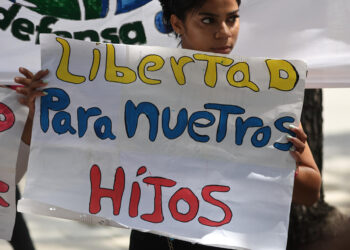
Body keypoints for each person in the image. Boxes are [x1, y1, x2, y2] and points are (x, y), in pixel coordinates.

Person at [14, 0, 322, 249]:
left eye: (232, 18)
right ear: (177, 24)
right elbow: (59, 153)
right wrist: (42, 111)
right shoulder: (135, 85)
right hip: (156, 241)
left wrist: (276, 163)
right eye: (208, 20)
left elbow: (310, 189)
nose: (224, 32)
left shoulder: (261, 94)